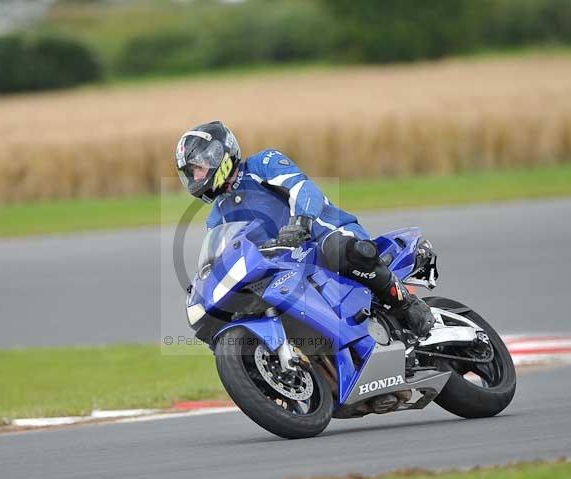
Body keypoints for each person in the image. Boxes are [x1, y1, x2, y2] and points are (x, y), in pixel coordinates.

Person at [175, 121, 435, 337]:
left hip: (323, 237)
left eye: (197, 168)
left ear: (218, 155)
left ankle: (406, 304)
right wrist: (206, 282)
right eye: (190, 172)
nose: (195, 178)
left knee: (337, 250)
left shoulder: (262, 163)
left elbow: (302, 187)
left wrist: (300, 222)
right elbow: (221, 254)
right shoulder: (216, 216)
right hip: (286, 268)